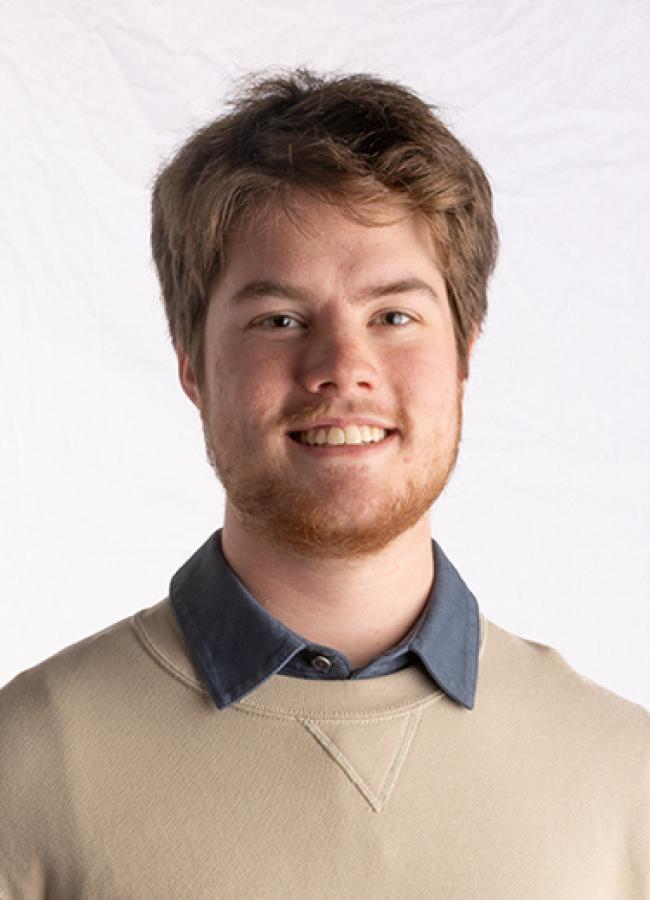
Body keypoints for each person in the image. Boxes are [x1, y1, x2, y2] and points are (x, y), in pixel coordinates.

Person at [0, 68, 647, 899]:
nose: (343, 368)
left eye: (394, 316)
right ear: (192, 363)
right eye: (279, 320)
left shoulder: (626, 779)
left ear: (465, 354)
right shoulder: (25, 770)